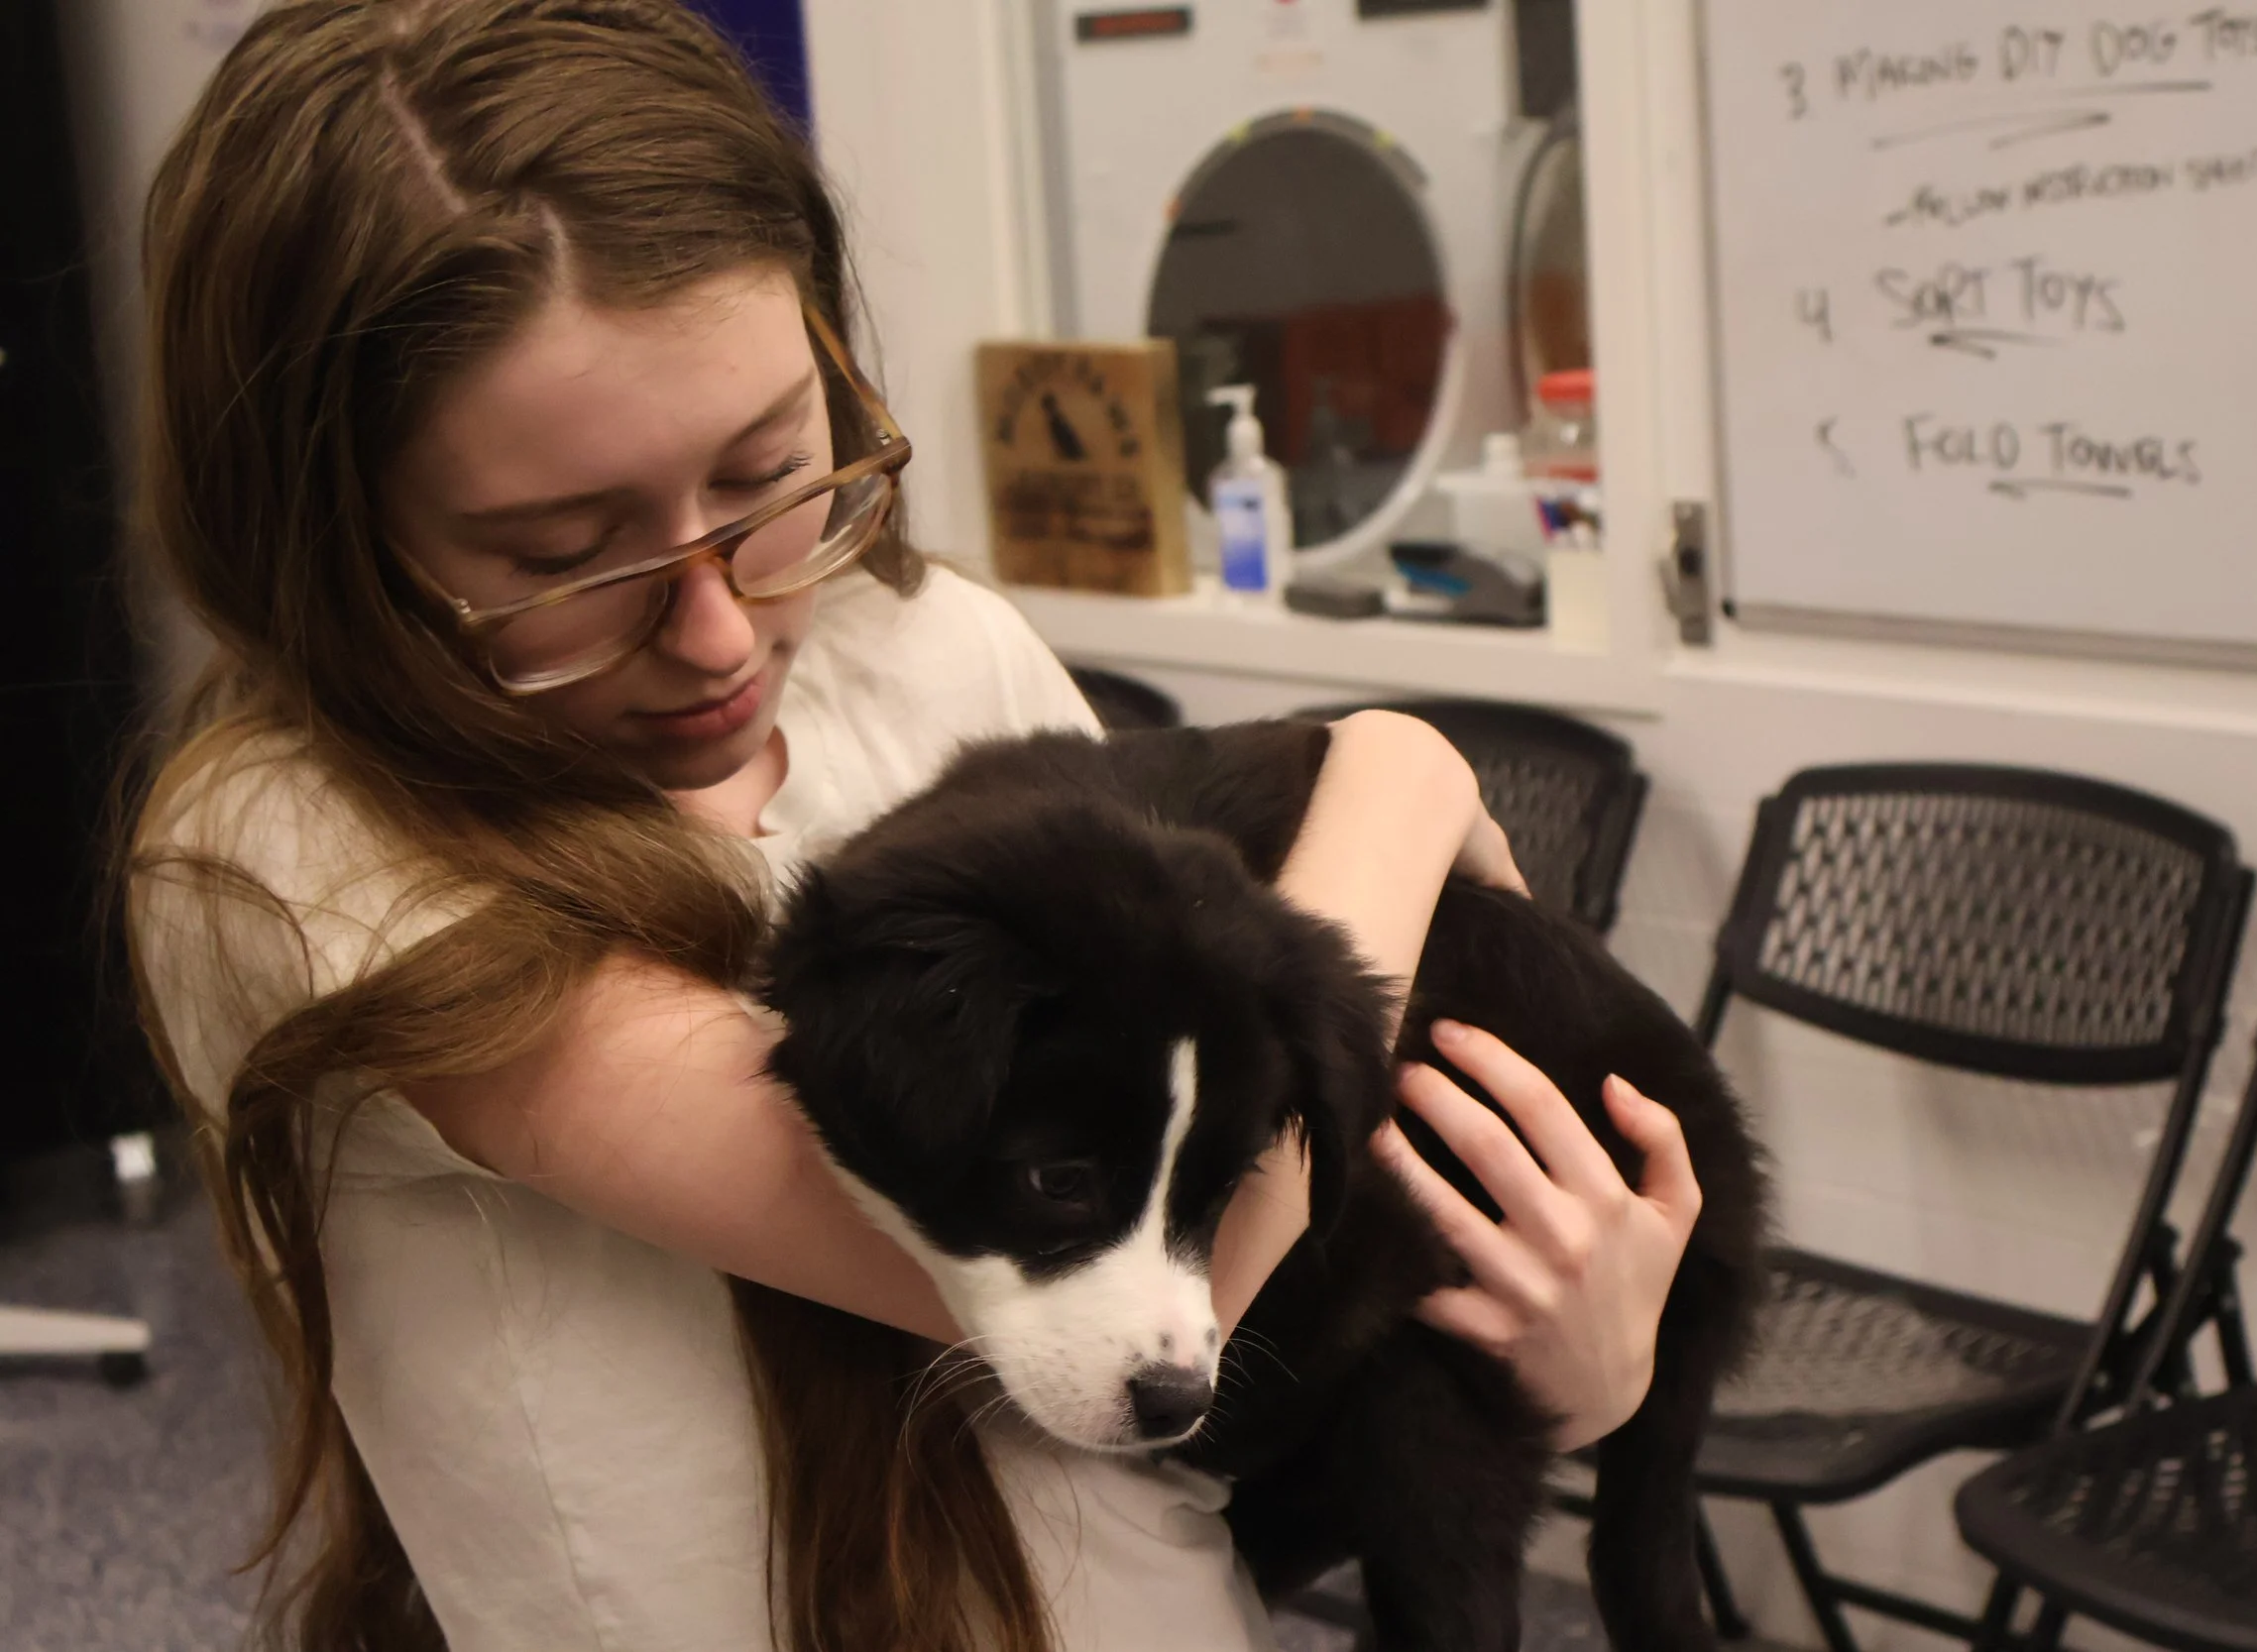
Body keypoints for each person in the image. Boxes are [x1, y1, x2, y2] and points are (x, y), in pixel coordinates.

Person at [122, 4, 1706, 1650]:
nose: (724, 632)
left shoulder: (934, 645)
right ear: (324, 535)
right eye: (559, 554)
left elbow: (1187, 1286)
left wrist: (1576, 1365)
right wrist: (1401, 767)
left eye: (765, 475)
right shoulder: (296, 850)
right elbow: (1198, 1267)